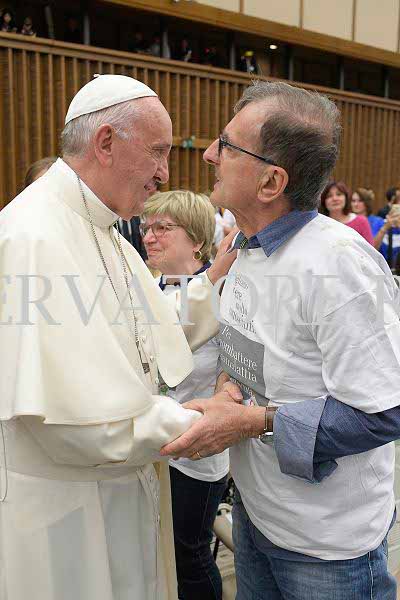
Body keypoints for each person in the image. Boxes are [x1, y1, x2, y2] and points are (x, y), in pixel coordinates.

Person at [0, 74, 236, 600]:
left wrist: (218, 283)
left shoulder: (105, 229)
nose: (164, 173)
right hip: (67, 514)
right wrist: (200, 421)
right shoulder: (33, 236)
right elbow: (71, 425)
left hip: (117, 490)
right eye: (157, 152)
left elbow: (151, 332)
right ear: (106, 142)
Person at [161, 80, 400, 599]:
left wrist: (250, 422)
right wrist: (226, 391)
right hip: (257, 516)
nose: (208, 153)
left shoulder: (339, 267)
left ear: (271, 182)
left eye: (227, 145)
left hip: (326, 548)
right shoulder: (244, 248)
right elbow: (244, 347)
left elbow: (383, 413)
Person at [142, 190, 230, 600]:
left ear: (196, 240)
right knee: (160, 548)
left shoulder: (220, 292)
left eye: (163, 227)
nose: (149, 236)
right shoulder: (149, 286)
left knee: (188, 554)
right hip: (155, 445)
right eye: (146, 227)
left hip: (197, 454)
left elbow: (233, 372)